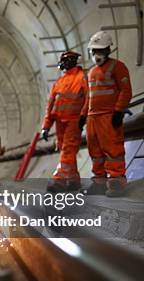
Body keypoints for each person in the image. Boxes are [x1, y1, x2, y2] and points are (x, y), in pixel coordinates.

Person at [81, 31, 132, 197]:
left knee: (113, 149)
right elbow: (89, 96)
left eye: (101, 51)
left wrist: (119, 110)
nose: (97, 55)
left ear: (108, 50)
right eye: (95, 51)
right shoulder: (91, 72)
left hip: (108, 116)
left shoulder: (117, 67)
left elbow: (125, 90)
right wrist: (83, 115)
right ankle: (99, 182)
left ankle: (117, 182)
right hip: (92, 118)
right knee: (95, 152)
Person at [41, 51, 88, 192]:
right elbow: (50, 106)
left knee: (68, 149)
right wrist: (46, 126)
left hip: (74, 121)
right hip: (60, 123)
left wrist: (83, 116)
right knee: (65, 150)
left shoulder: (82, 78)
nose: (65, 63)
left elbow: (88, 98)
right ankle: (73, 181)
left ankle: (59, 181)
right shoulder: (59, 82)